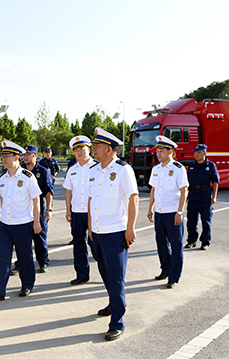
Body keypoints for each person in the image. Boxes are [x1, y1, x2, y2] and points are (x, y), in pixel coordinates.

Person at [88, 127, 139, 341]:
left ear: (109, 149)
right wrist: (90, 227)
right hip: (97, 232)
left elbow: (133, 198)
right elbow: (91, 200)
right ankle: (114, 302)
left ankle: (117, 321)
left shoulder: (122, 169)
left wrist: (130, 228)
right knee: (105, 272)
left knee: (116, 278)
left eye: (97, 146)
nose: (93, 149)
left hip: (115, 232)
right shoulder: (94, 170)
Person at [0, 141, 41, 300]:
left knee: (25, 256)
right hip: (5, 225)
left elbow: (36, 200)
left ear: (16, 158)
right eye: (3, 156)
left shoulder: (28, 177)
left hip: (22, 224)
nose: (3, 159)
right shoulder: (3, 178)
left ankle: (27, 285)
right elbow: (3, 199)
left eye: (7, 156)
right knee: (3, 258)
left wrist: (37, 221)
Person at [146, 136, 188, 288]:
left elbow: (184, 191)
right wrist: (150, 208)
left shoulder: (178, 168)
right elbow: (153, 190)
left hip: (173, 213)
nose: (158, 154)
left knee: (176, 245)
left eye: (162, 151)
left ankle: (174, 276)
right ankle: (165, 269)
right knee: (161, 244)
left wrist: (180, 212)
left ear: (170, 152)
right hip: (160, 213)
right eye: (157, 151)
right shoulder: (156, 169)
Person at [64, 135, 97, 285]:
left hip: (94, 212)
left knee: (96, 244)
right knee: (78, 245)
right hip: (77, 212)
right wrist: (68, 209)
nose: (79, 152)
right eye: (76, 150)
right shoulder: (72, 170)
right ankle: (82, 274)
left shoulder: (98, 167)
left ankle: (106, 270)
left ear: (88, 150)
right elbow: (68, 191)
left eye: (81, 149)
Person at [19, 144, 53, 273]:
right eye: (24, 154)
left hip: (38, 208)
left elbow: (48, 192)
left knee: (39, 237)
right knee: (22, 239)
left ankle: (43, 261)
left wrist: (48, 210)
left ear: (35, 156)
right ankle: (20, 263)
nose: (26, 157)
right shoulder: (20, 170)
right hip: (23, 209)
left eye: (29, 154)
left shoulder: (43, 172)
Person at [185, 144, 219, 250]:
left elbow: (215, 181)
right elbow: (187, 182)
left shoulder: (211, 165)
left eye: (199, 152)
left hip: (205, 196)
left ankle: (205, 242)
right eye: (195, 152)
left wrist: (214, 196)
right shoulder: (192, 165)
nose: (196, 154)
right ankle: (191, 241)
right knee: (191, 221)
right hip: (193, 196)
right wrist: (185, 195)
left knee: (206, 221)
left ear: (205, 153)